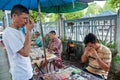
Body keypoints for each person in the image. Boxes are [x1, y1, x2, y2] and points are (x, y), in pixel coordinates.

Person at [3, 5, 34, 80]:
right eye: (24, 18)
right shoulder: (9, 32)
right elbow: (25, 53)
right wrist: (29, 31)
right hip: (21, 75)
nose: (26, 21)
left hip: (27, 72)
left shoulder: (19, 31)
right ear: (14, 16)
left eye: (27, 19)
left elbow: (26, 46)